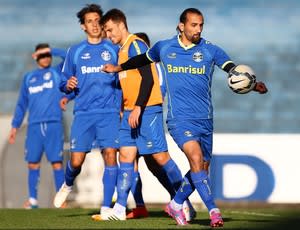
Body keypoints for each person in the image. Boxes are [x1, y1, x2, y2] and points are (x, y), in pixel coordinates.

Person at [102, 8, 268, 227]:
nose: (198, 29)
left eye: (201, 25)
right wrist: (118, 67)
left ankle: (177, 203)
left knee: (202, 167)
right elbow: (142, 60)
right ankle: (214, 211)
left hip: (205, 119)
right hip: (179, 120)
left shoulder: (210, 50)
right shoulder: (164, 47)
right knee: (196, 158)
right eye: (193, 25)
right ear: (182, 26)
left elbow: (233, 70)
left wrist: (253, 85)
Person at [97, 8, 187, 221]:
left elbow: (148, 77)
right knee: (125, 155)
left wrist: (138, 106)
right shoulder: (121, 51)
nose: (108, 35)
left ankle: (182, 202)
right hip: (131, 111)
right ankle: (119, 208)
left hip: (147, 109)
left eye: (110, 30)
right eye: (106, 32)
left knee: (160, 157)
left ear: (120, 24)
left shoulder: (136, 44)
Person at [53, 4, 121, 215]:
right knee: (76, 161)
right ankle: (67, 184)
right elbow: (64, 82)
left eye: (97, 20)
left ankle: (105, 207)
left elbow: (122, 79)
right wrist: (68, 86)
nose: (94, 24)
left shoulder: (113, 49)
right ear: (83, 26)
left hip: (109, 113)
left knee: (110, 155)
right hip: (83, 114)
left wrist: (121, 106)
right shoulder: (75, 51)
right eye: (89, 21)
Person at [8, 43, 70, 209]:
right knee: (32, 163)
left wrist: (51, 50)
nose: (46, 58)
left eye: (48, 55)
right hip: (34, 126)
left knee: (57, 162)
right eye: (42, 55)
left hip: (53, 124)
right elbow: (22, 104)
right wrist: (15, 126)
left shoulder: (56, 72)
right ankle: (33, 201)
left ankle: (60, 200)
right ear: (35, 57)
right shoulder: (29, 78)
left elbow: (68, 56)